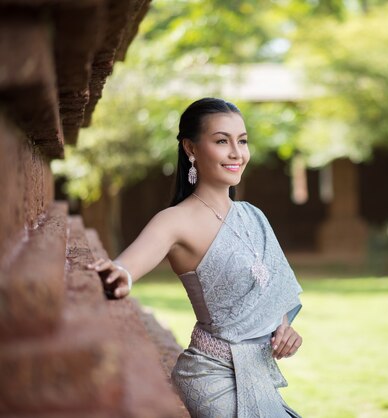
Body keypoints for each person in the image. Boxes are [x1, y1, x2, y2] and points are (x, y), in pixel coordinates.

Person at [87, 98, 303, 418]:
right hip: (211, 376)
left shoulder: (254, 216)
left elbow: (271, 289)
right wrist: (119, 273)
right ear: (191, 148)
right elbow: (129, 264)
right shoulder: (175, 221)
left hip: (257, 372)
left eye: (242, 141)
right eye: (221, 141)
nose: (236, 153)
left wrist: (284, 330)